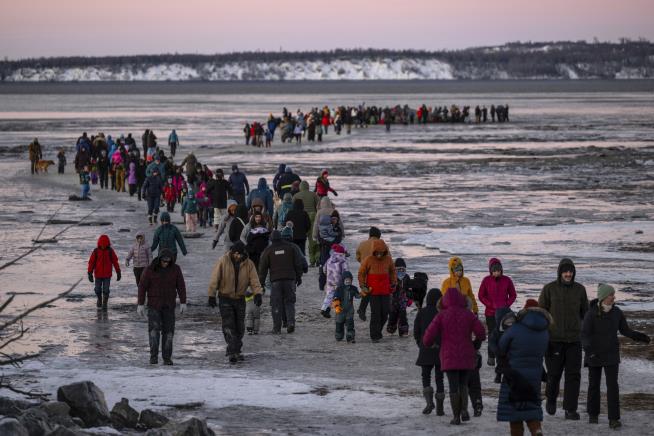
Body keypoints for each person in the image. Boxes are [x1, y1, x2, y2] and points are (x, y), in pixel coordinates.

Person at [582, 284, 650, 429]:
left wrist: (640, 336)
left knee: (613, 387)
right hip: (594, 354)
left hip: (611, 354)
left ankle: (614, 419)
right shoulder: (591, 313)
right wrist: (589, 351)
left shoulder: (617, 312)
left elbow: (625, 330)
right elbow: (585, 335)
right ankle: (593, 415)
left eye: (613, 294)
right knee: (594, 386)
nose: (614, 297)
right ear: (603, 297)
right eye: (611, 294)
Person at [423, 289, 486, 426]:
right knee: (463, 384)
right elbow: (481, 332)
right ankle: (464, 410)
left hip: (448, 355)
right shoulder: (468, 314)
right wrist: (475, 344)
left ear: (444, 301)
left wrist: (430, 344)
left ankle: (456, 417)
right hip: (466, 354)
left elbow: (428, 336)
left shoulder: (441, 315)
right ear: (462, 300)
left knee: (453, 386)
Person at [538, 258, 588, 420]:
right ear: (560, 272)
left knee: (573, 376)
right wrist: (542, 335)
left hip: (574, 340)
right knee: (553, 374)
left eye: (571, 271)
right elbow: (541, 313)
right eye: (565, 271)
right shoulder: (549, 289)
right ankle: (551, 399)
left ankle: (570, 409)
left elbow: (585, 314)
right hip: (554, 341)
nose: (568, 274)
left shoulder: (580, 290)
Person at [497, 300, 552, 436]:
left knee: (514, 410)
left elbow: (501, 347)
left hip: (514, 374)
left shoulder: (515, 328)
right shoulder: (545, 331)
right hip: (535, 374)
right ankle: (536, 430)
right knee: (531, 406)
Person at [207, 241, 264, 363]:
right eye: (237, 254)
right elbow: (214, 278)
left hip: (239, 298)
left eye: (241, 254)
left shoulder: (249, 264)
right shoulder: (223, 261)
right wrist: (211, 295)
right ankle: (233, 352)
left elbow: (254, 280)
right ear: (233, 252)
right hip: (225, 297)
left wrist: (258, 293)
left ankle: (235, 349)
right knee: (229, 325)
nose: (239, 256)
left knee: (240, 327)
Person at [137, 248, 186, 365]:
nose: (165, 263)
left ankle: (167, 357)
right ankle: (153, 356)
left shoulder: (175, 269)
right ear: (159, 259)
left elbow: (181, 286)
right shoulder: (150, 270)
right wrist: (140, 304)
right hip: (154, 306)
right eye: (164, 261)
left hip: (169, 306)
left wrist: (183, 302)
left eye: (168, 261)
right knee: (154, 332)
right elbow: (142, 287)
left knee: (168, 333)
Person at [258, 230, 304, 334]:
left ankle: (277, 328)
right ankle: (291, 323)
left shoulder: (268, 250)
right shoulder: (291, 247)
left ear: (271, 239)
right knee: (290, 302)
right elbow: (297, 262)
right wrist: (299, 276)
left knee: (276, 304)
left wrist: (261, 283)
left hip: (276, 281)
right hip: (290, 279)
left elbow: (262, 268)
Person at [478, 258, 517, 366]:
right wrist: (490, 304)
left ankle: (504, 356)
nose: (497, 273)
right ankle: (491, 356)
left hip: (504, 313)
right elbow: (481, 295)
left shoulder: (507, 280)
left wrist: (506, 305)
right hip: (490, 313)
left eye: (499, 271)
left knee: (504, 334)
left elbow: (513, 295)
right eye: (495, 271)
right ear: (491, 271)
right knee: (492, 334)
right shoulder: (486, 280)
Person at [358, 239, 397, 342]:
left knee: (385, 313)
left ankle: (378, 331)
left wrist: (394, 282)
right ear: (374, 251)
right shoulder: (369, 260)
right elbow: (361, 273)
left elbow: (393, 271)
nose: (379, 254)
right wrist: (363, 285)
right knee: (376, 314)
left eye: (381, 252)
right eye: (377, 252)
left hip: (385, 291)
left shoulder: (388, 260)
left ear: (384, 251)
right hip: (373, 292)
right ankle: (374, 336)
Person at [414, 288, 444, 415]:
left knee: (425, 376)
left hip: (425, 348)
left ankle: (429, 402)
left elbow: (416, 331)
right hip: (440, 349)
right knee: (439, 378)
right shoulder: (442, 313)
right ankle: (440, 408)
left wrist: (420, 344)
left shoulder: (422, 312)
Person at [355, 227, 387, 321]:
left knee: (367, 289)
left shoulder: (362, 244)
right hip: (377, 272)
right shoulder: (382, 245)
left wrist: (363, 263)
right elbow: (387, 257)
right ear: (379, 235)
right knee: (376, 292)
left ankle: (362, 309)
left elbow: (358, 257)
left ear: (369, 235)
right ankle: (374, 311)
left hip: (364, 271)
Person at [87, 234, 121, 311]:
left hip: (107, 275)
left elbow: (115, 262)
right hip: (98, 275)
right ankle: (99, 299)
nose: (103, 246)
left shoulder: (110, 251)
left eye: (104, 245)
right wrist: (90, 273)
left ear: (107, 244)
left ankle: (105, 302)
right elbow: (91, 262)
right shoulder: (96, 251)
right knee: (97, 289)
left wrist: (118, 272)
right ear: (99, 244)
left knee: (106, 290)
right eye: (101, 245)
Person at [293, 180, 320, 265]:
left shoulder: (296, 196)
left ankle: (303, 259)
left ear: (300, 187)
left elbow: (293, 209)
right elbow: (319, 206)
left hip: (300, 218)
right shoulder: (314, 194)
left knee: (300, 240)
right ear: (308, 186)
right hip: (312, 216)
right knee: (313, 239)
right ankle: (316, 258)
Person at [321, 243, 348, 318]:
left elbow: (324, 269)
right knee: (339, 297)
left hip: (330, 281)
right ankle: (338, 311)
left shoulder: (329, 259)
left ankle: (324, 308)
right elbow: (346, 272)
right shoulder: (343, 261)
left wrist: (328, 275)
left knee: (329, 296)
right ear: (342, 253)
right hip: (339, 282)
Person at [332, 271, 359, 343]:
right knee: (339, 324)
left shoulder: (353, 288)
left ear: (351, 280)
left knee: (350, 324)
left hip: (349, 310)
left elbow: (358, 296)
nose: (348, 281)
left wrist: (364, 292)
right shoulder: (339, 289)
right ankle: (339, 336)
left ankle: (350, 337)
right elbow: (335, 298)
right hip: (340, 311)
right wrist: (337, 307)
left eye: (349, 280)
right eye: (346, 280)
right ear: (343, 280)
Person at [387, 257, 410, 336]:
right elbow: (388, 287)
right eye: (398, 269)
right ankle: (391, 328)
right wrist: (392, 286)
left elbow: (409, 288)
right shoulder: (392, 277)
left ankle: (403, 331)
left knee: (403, 315)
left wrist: (410, 298)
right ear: (395, 269)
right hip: (392, 300)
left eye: (402, 269)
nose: (401, 271)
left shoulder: (406, 277)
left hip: (403, 300)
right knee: (393, 315)